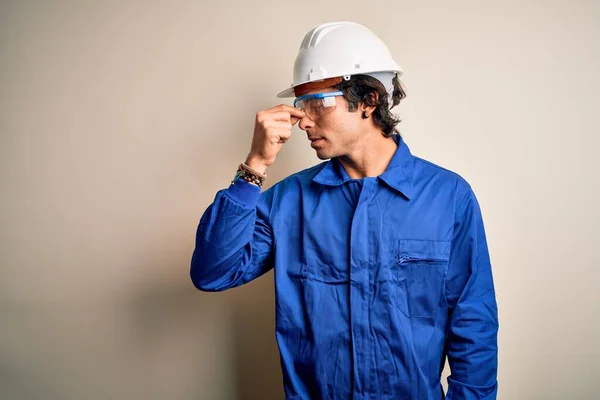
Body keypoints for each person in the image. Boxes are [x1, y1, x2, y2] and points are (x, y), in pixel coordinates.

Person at [191, 21, 498, 400]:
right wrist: (254, 165)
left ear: (369, 99)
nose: (303, 120)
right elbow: (212, 273)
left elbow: (474, 325)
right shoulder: (289, 201)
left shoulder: (448, 197)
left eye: (318, 103)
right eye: (301, 106)